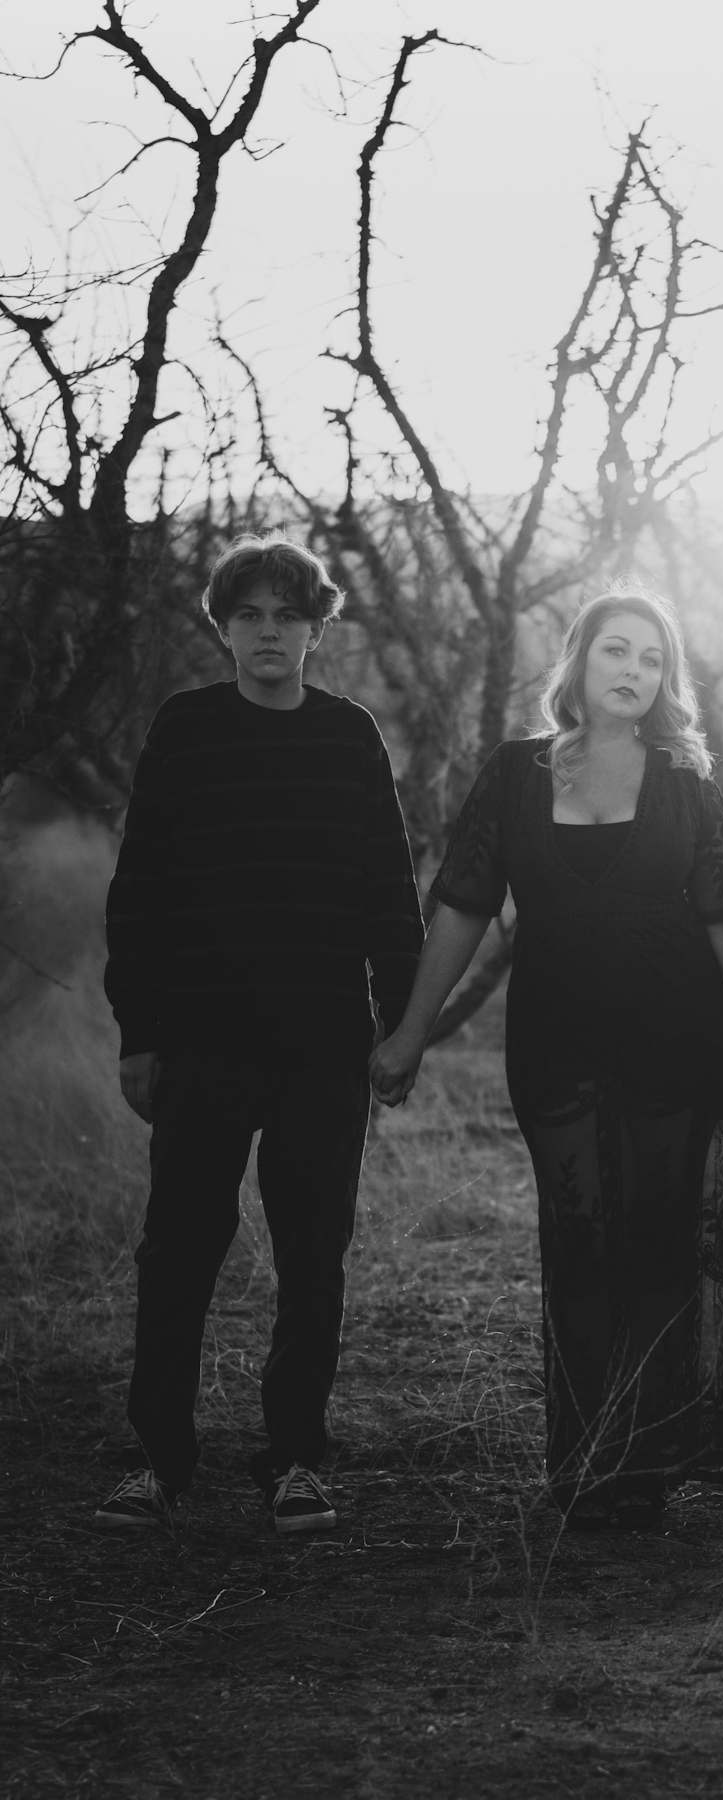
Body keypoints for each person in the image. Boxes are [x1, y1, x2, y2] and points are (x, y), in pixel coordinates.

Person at [370, 586, 723, 1528]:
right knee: (581, 1242)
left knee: (658, 1243)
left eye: (652, 659)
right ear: (579, 660)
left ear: (665, 680)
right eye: (617, 650)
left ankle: (648, 1461)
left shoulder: (684, 781)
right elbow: (463, 907)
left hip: (677, 1036)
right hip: (556, 1036)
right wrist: (410, 1031)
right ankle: (586, 1459)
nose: (633, 671)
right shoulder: (516, 773)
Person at [97, 534, 423, 1535]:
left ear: (316, 630)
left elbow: (388, 893)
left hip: (324, 1046)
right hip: (203, 1041)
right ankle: (159, 1461)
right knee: (178, 1252)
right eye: (250, 614)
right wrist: (140, 1032)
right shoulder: (187, 729)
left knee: (312, 1256)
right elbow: (140, 888)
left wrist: (402, 1027)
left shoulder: (350, 736)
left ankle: (295, 1461)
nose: (270, 631)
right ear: (224, 627)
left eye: (288, 614)